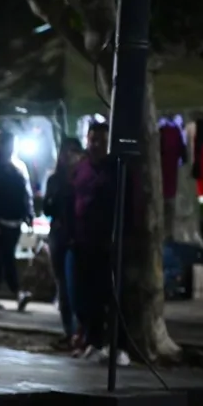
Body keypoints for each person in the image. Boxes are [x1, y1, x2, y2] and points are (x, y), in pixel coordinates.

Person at [72, 122, 130, 365]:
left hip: (109, 242)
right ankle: (94, 341)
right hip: (84, 242)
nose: (95, 145)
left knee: (113, 295)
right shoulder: (82, 168)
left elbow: (128, 205)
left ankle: (119, 346)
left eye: (100, 141)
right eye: (92, 140)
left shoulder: (117, 170)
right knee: (87, 296)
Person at [0, 131, 33, 311]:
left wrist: (29, 214)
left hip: (15, 222)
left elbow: (26, 195)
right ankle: (17, 291)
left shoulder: (17, 169)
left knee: (3, 258)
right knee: (6, 256)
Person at [42, 137, 84, 348]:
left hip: (78, 236)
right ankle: (69, 332)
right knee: (64, 286)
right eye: (65, 152)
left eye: (73, 152)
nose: (68, 157)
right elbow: (47, 209)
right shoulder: (55, 180)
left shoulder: (83, 177)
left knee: (77, 287)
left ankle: (80, 332)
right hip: (59, 235)